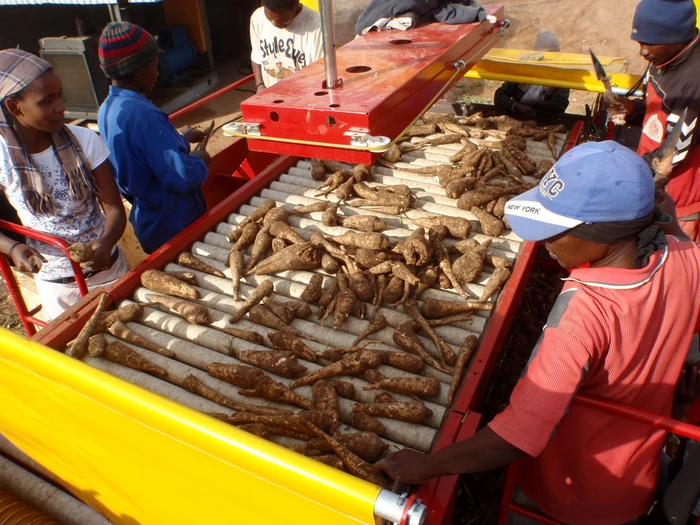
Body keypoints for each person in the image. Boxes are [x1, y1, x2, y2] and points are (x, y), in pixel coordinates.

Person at [376, 141, 700, 525]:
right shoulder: (686, 258)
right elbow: (674, 236)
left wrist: (427, 467)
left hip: (567, 496)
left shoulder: (584, 315)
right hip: (635, 479)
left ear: (601, 234)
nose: (543, 243)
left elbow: (518, 435)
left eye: (554, 230)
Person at [0, 49, 127, 321]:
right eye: (47, 101)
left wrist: (105, 242)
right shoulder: (2, 157)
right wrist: (11, 247)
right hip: (57, 289)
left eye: (60, 96)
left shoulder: (84, 140)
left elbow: (114, 208)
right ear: (14, 106)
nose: (60, 107)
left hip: (109, 273)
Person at [97, 22, 210, 255]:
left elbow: (143, 155)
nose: (158, 73)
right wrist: (200, 159)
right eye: (154, 65)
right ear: (138, 69)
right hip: (175, 225)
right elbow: (181, 176)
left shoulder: (108, 108)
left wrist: (181, 139)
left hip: (149, 220)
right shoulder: (142, 114)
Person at [609, 0, 700, 240]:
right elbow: (663, 115)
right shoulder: (665, 56)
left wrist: (625, 177)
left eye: (651, 44)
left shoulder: (695, 80)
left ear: (678, 37)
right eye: (640, 42)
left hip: (676, 198)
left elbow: (675, 150)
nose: (643, 52)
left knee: (673, 264)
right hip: (649, 178)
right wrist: (633, 111)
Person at [494, 30, 570, 121]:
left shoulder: (561, 76)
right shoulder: (523, 71)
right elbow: (500, 96)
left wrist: (529, 106)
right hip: (518, 119)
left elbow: (559, 106)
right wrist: (517, 107)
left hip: (547, 122)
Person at [250, 0, 323, 92]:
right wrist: (259, 84)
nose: (274, 23)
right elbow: (256, 55)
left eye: (283, 20)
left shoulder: (318, 26)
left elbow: (320, 73)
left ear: (295, 3)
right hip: (270, 95)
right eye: (269, 19)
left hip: (304, 96)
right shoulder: (258, 18)